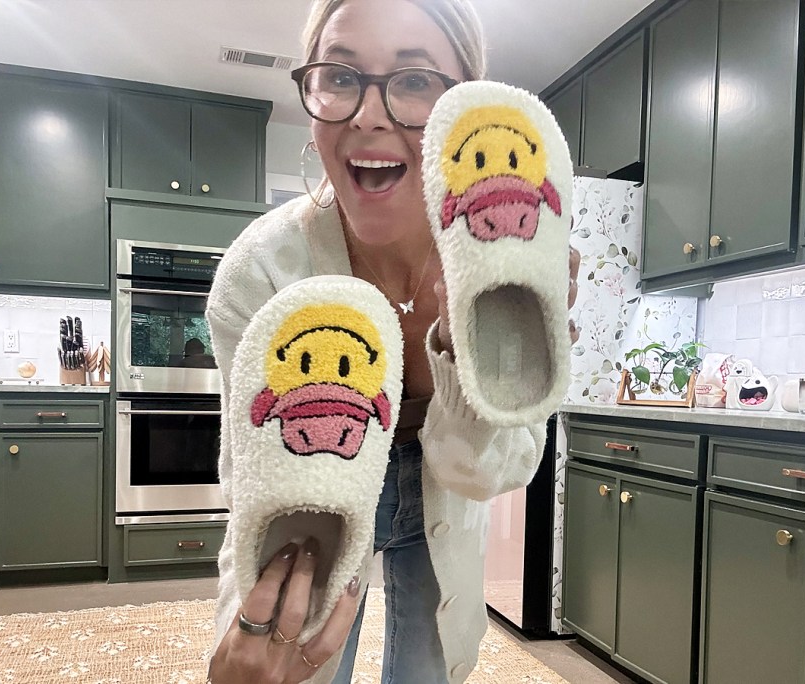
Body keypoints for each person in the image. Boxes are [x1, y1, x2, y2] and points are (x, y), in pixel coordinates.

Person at [205, 1, 579, 682]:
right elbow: (258, 494)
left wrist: (474, 350)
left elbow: (492, 470)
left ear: (462, 106)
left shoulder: (515, 248)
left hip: (442, 482)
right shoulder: (260, 274)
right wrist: (245, 637)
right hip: (316, 472)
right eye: (340, 76)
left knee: (430, 662)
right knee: (301, 656)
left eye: (413, 80)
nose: (367, 115)